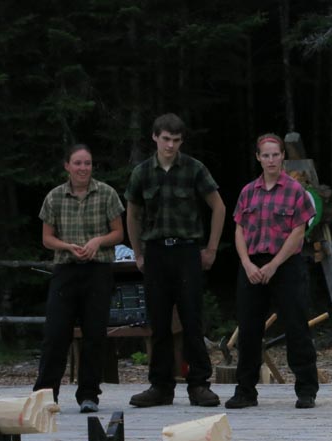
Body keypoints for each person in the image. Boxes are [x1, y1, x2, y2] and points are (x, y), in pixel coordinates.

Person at [126, 113, 225, 408]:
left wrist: (211, 249)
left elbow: (218, 207)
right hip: (155, 252)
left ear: (182, 141)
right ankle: (160, 386)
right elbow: (132, 213)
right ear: (155, 137)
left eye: (176, 140)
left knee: (192, 319)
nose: (170, 145)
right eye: (166, 139)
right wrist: (138, 252)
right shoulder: (142, 172)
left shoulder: (194, 169)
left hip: (186, 251)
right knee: (158, 322)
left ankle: (199, 385)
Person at [225, 133, 319, 409]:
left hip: (285, 263)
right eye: (265, 155)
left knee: (296, 325)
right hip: (252, 264)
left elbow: (298, 233)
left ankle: (306, 389)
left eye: (275, 154)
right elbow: (239, 229)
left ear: (282, 157)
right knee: (249, 328)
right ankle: (245, 391)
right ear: (258, 158)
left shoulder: (294, 191)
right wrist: (247, 264)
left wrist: (274, 264)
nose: (271, 160)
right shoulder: (247, 192)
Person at [33, 144, 124, 413]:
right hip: (66, 269)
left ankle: (89, 395)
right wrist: (67, 246)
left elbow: (118, 233)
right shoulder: (55, 197)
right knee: (55, 333)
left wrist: (98, 241)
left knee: (95, 333)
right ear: (67, 166)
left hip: (98, 270)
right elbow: (46, 238)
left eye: (87, 163)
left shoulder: (106, 193)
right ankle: (45, 396)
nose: (83, 168)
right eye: (78, 163)